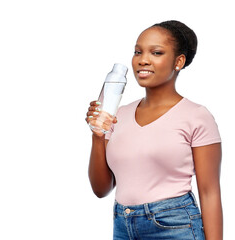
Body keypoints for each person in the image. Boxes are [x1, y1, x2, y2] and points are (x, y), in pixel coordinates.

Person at [85, 20, 223, 240]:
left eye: (156, 52)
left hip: (175, 226)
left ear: (179, 61)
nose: (143, 60)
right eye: (137, 52)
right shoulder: (117, 115)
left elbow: (210, 193)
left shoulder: (196, 116)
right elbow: (101, 189)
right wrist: (97, 135)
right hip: (123, 225)